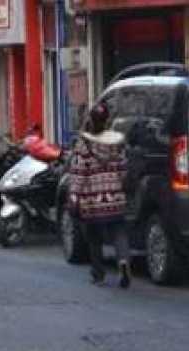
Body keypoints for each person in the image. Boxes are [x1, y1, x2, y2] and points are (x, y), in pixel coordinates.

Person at [68, 102, 132, 288]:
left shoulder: (84, 144)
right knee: (119, 231)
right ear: (107, 121)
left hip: (92, 200)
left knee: (94, 237)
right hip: (114, 195)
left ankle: (99, 274)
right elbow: (123, 168)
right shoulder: (116, 142)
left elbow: (79, 173)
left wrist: (74, 197)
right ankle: (123, 261)